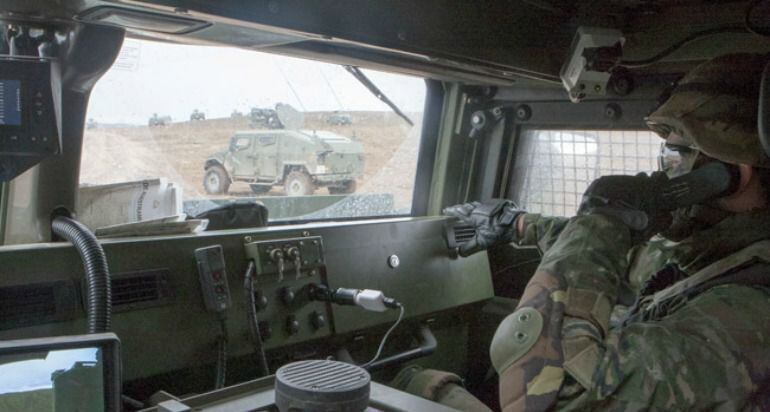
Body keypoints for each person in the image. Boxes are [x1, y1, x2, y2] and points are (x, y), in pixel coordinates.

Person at [393, 53, 770, 411]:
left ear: (733, 174)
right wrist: (519, 225)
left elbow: (548, 395)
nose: (664, 173)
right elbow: (635, 260)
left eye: (675, 157)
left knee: (417, 389)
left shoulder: (752, 312)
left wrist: (604, 219)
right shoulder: (725, 254)